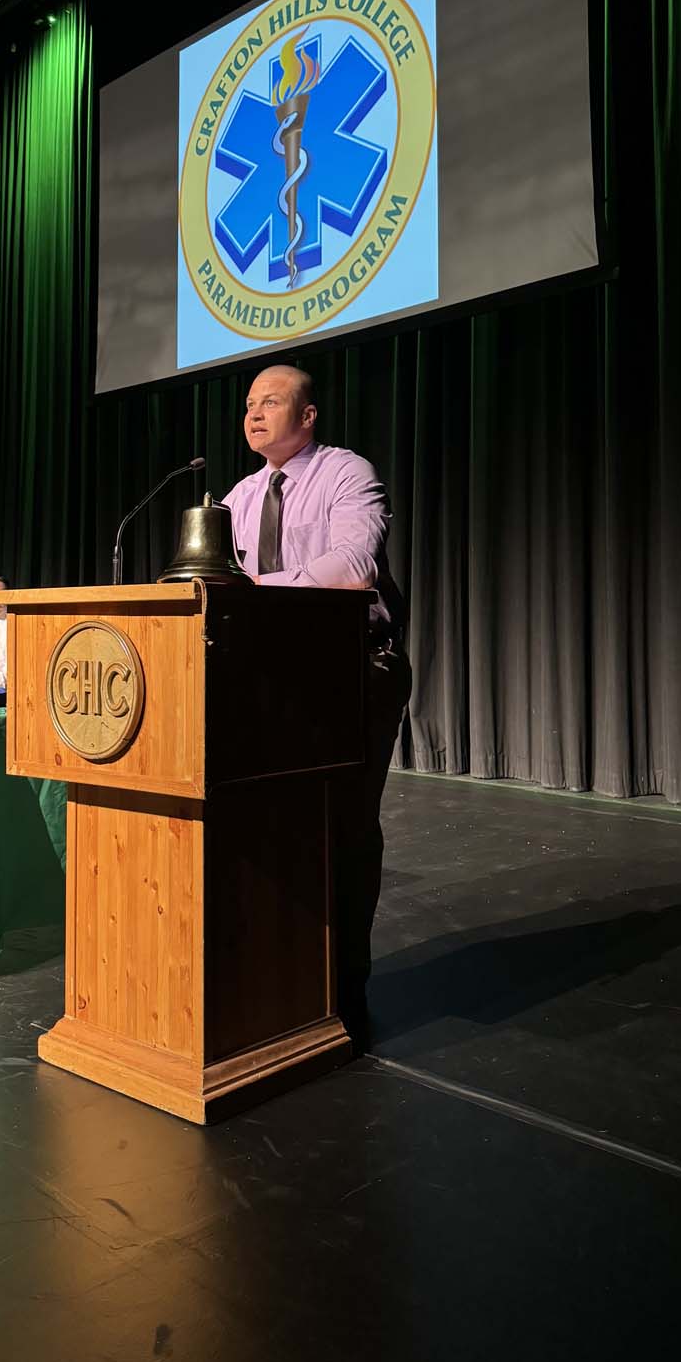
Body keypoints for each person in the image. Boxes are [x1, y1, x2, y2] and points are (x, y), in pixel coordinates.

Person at [222, 365, 411, 1052]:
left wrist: (258, 591)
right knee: (274, 829)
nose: (254, 414)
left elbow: (351, 565)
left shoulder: (345, 474)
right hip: (271, 679)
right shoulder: (239, 495)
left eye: (270, 402)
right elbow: (220, 583)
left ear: (307, 416)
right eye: (248, 405)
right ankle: (288, 979)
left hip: (355, 673)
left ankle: (346, 990)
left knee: (345, 828)